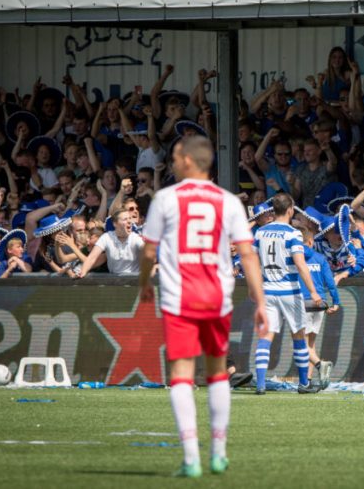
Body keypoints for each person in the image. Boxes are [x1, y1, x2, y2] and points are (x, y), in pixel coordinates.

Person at [137, 135, 267, 478]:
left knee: (181, 374)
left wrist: (143, 283)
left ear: (190, 161)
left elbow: (149, 251)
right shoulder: (228, 201)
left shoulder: (164, 198)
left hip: (179, 294)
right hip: (216, 295)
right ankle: (219, 453)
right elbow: (247, 252)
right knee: (217, 371)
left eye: (177, 157)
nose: (173, 162)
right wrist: (260, 300)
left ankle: (192, 457)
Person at [252, 192, 325, 395]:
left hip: (267, 290)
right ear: (291, 209)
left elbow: (250, 259)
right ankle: (304, 384)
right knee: (298, 336)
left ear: (273, 210)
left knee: (266, 336)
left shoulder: (260, 233)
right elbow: (301, 264)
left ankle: (260, 384)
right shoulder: (293, 234)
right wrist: (313, 292)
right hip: (290, 291)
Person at [296, 225, 340, 388]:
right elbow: (330, 282)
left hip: (303, 303)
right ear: (310, 241)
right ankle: (307, 380)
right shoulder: (320, 258)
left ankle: (320, 364)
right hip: (319, 304)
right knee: (311, 345)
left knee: (300, 343)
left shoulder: (294, 258)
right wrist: (336, 302)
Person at [79, 208, 144, 276]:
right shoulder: (106, 237)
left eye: (130, 218)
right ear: (115, 224)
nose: (129, 221)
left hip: (133, 281)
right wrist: (82, 272)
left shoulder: (136, 238)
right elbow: (91, 258)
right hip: (114, 281)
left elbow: (149, 253)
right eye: (125, 219)